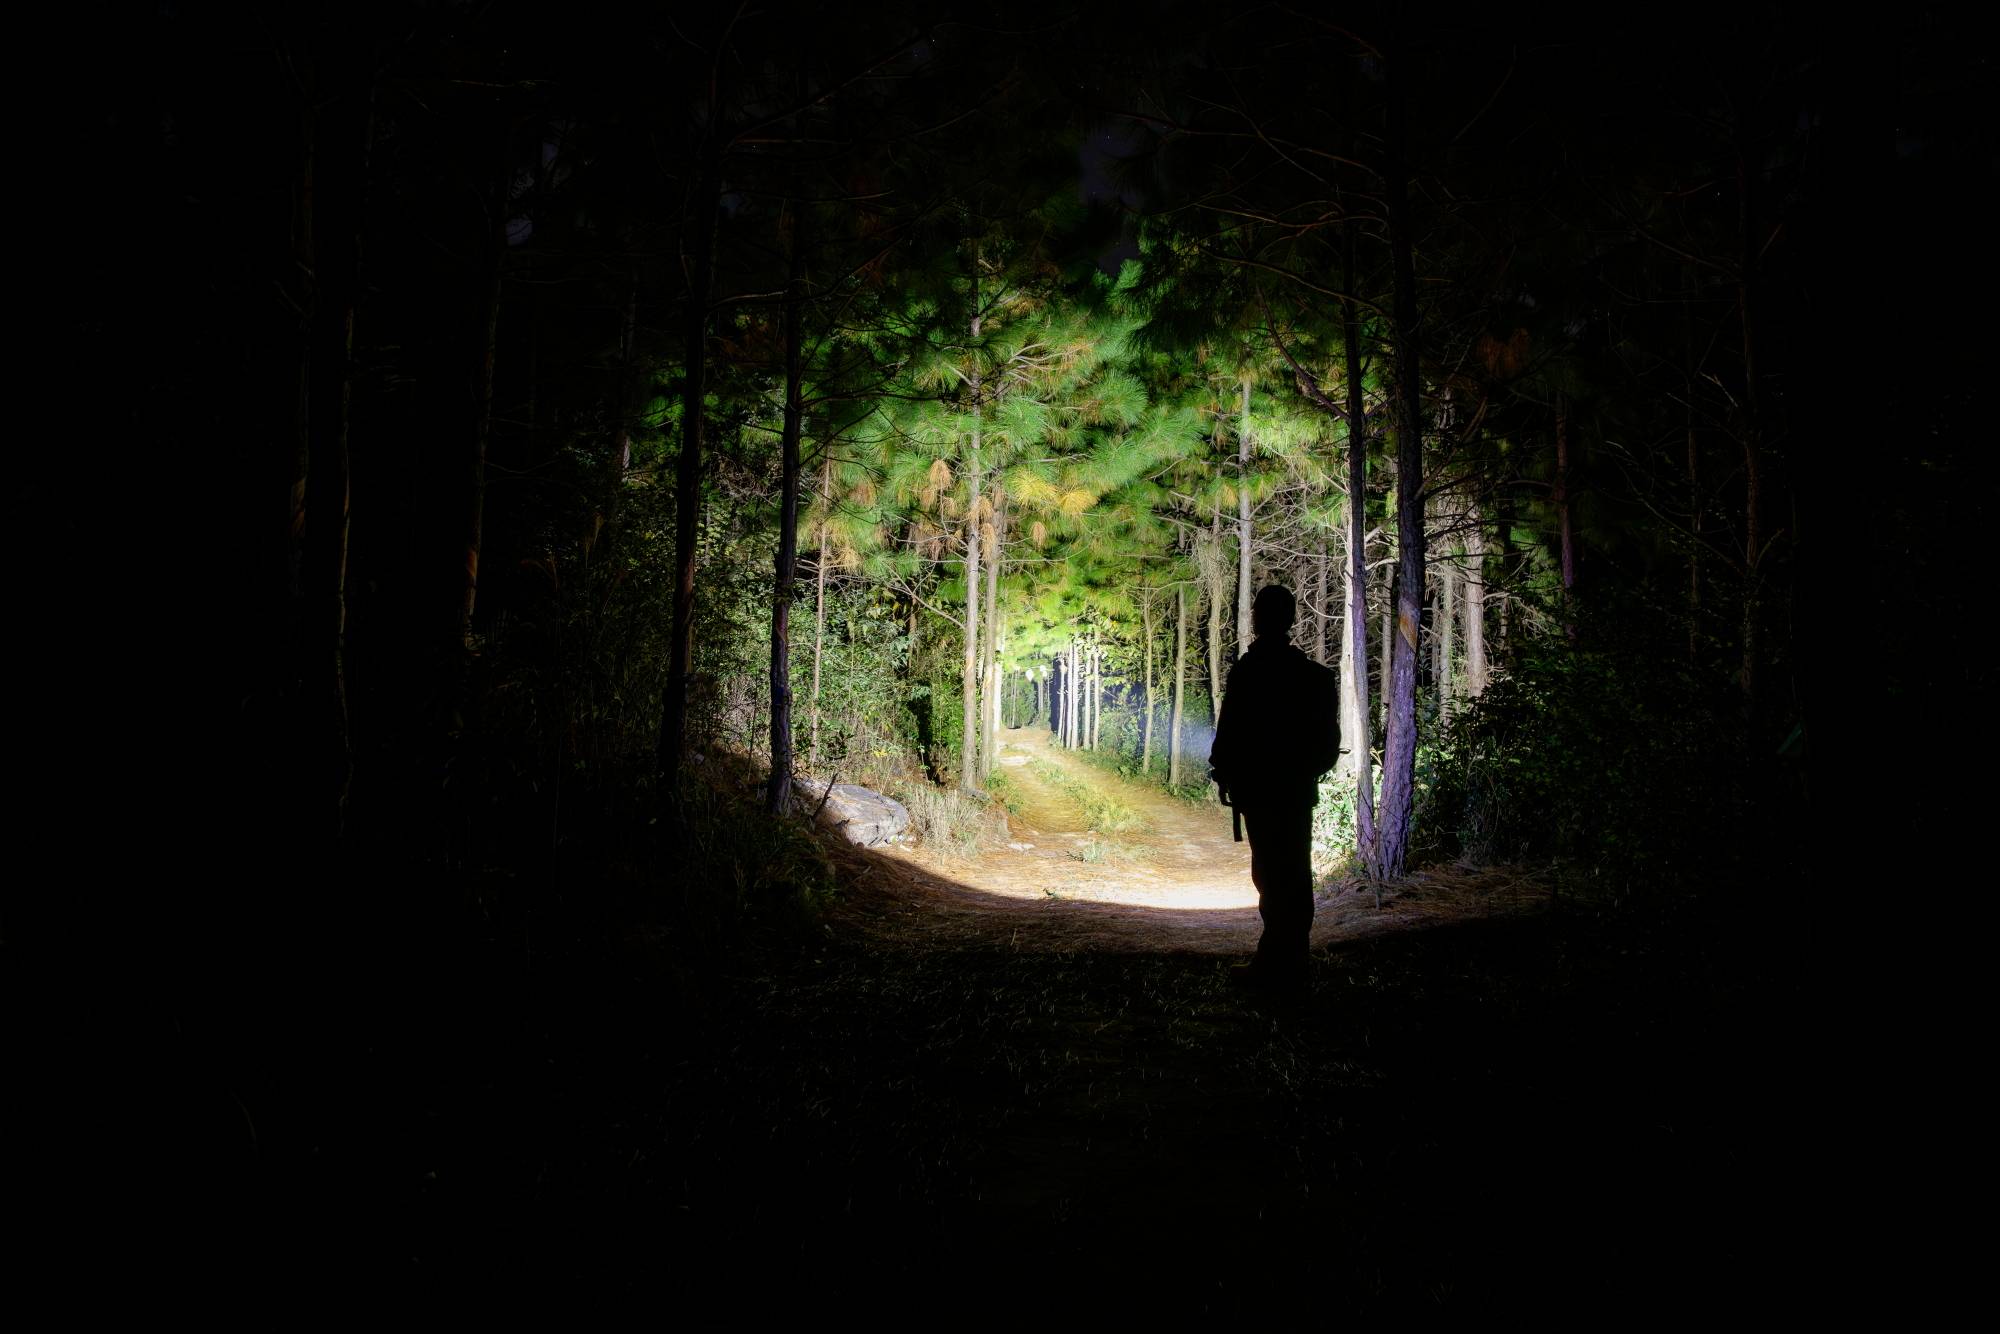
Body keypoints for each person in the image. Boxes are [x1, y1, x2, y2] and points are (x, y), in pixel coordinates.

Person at [1208, 584, 1341, 996]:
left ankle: (1276, 961)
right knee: (1294, 872)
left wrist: (1226, 773)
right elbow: (1326, 745)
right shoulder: (1313, 678)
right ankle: (1290, 959)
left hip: (1262, 791)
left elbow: (1229, 731)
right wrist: (1303, 772)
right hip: (1295, 791)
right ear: (1291, 619)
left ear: (1260, 618)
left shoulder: (1249, 673)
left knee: (1270, 872)